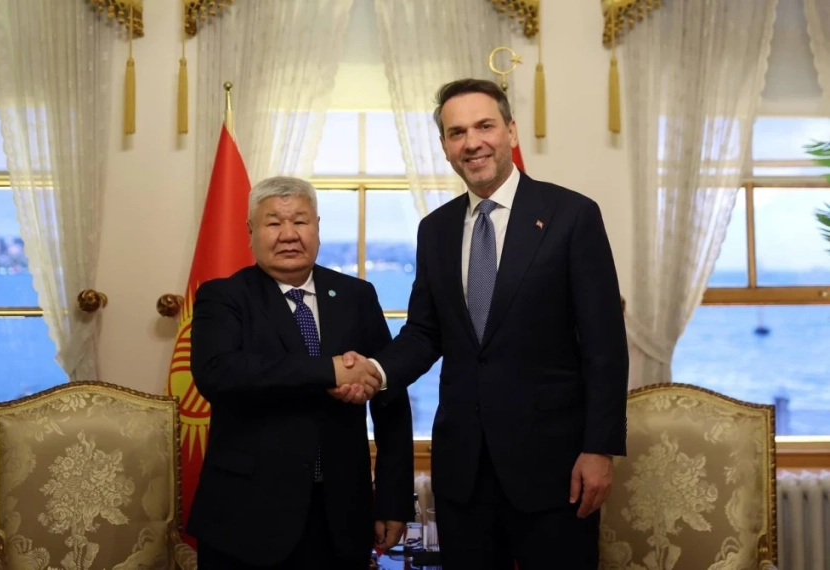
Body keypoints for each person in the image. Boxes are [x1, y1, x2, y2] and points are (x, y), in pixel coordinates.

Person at [347, 78, 629, 569]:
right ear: (444, 146)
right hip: (464, 472)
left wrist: (599, 449)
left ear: (511, 131)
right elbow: (425, 333)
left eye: (484, 126)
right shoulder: (435, 230)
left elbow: (604, 345)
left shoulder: (571, 216)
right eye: (457, 132)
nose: (472, 142)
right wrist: (376, 371)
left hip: (555, 469)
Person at [187, 176, 415, 570]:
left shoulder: (356, 296)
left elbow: (389, 399)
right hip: (247, 516)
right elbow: (219, 373)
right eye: (274, 223)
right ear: (251, 231)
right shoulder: (223, 296)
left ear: (317, 227)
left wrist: (393, 501)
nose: (289, 234)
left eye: (300, 221)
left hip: (341, 514)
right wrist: (329, 371)